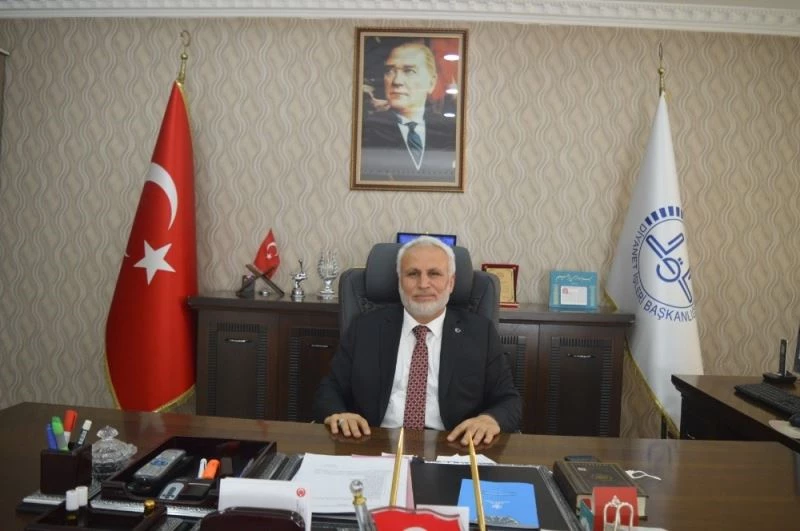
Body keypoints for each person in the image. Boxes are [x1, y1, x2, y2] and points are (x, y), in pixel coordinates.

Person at [313, 236, 521, 446]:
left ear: (451, 282)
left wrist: (490, 419)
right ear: (399, 282)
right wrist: (339, 414)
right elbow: (330, 388)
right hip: (372, 442)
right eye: (413, 274)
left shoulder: (479, 332)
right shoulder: (365, 328)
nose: (423, 284)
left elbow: (508, 399)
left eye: (434, 273)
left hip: (453, 445)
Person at [359, 40, 457, 183]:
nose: (397, 81)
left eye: (409, 71)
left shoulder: (450, 131)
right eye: (389, 71)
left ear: (431, 82)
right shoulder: (367, 131)